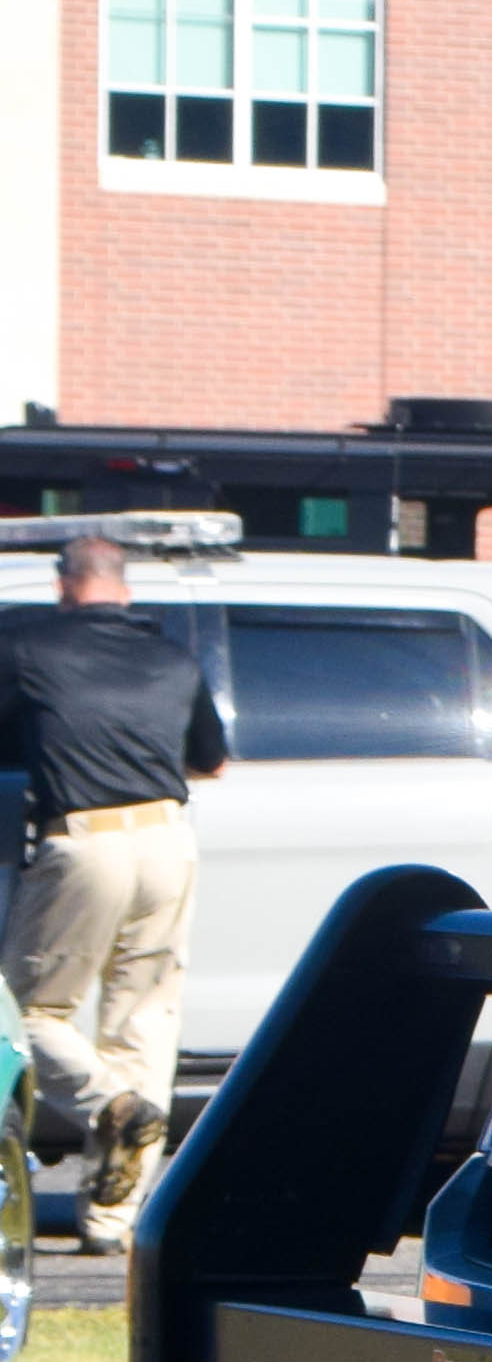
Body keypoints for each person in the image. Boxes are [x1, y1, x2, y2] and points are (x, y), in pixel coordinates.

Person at [0, 536, 227, 1251]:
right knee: (145, 1018)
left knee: (27, 1012)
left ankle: (108, 1103)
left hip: (84, 839)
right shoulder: (174, 658)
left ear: (64, 584)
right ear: (121, 586)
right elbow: (211, 763)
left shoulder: (28, 650)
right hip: (168, 837)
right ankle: (112, 1222)